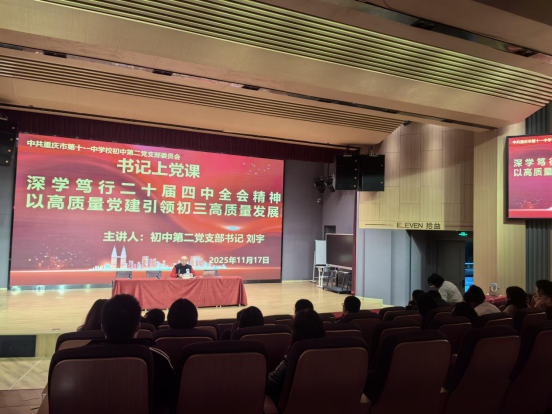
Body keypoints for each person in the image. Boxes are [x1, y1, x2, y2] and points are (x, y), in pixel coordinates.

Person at [89, 294, 176, 414]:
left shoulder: (75, 359)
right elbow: (169, 403)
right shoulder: (160, 360)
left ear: (102, 327)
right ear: (138, 326)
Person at [267, 309, 326, 404]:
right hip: (325, 404)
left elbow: (271, 384)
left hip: (292, 406)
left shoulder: (294, 356)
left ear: (295, 331)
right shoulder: (332, 355)